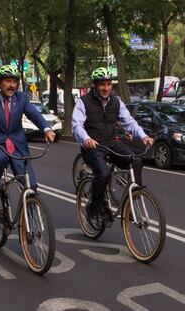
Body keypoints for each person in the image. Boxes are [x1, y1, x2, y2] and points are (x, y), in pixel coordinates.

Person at [71, 67, 154, 229]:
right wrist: (86, 139)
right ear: (95, 85)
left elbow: (129, 122)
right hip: (92, 146)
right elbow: (76, 125)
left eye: (109, 84)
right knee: (103, 173)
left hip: (111, 143)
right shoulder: (84, 102)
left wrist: (143, 136)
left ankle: (133, 200)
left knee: (136, 160)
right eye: (102, 84)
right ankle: (93, 207)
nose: (106, 88)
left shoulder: (116, 102)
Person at [0, 64, 56, 205]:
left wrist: (46, 128)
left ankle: (29, 219)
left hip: (17, 146)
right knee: (0, 158)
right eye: (7, 81)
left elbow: (34, 114)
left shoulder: (21, 98)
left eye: (14, 82)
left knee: (30, 185)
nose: (12, 85)